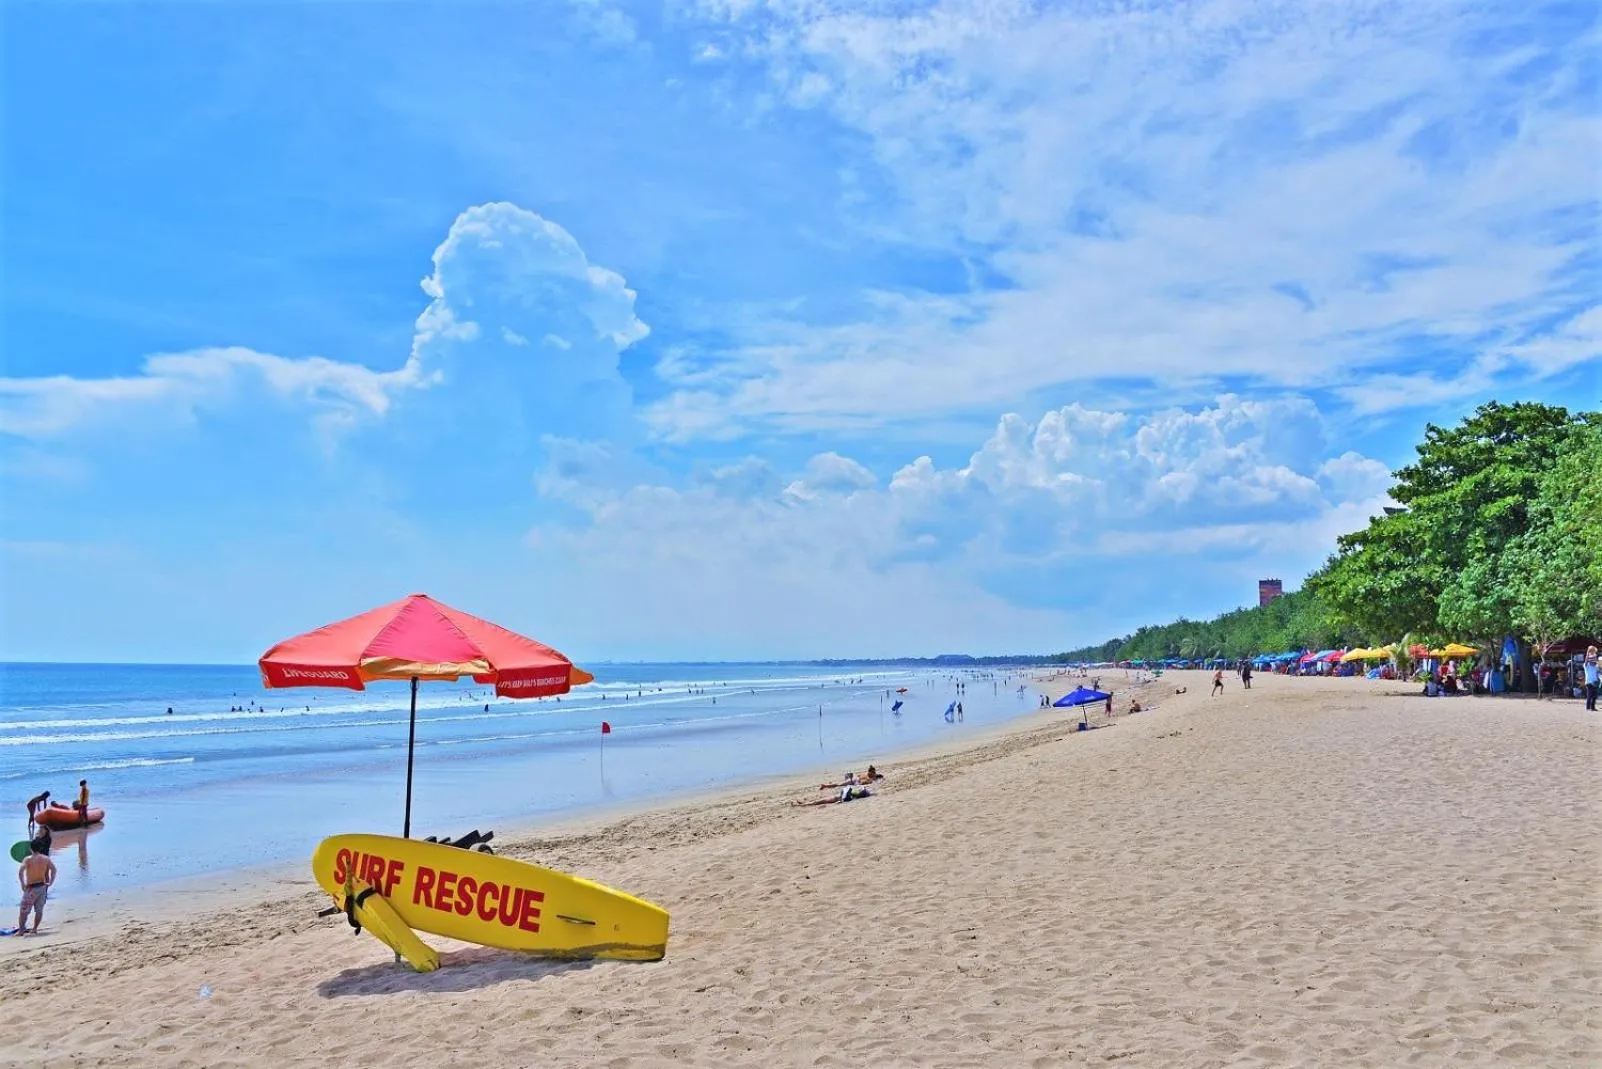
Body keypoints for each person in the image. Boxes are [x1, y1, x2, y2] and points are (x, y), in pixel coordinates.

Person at [16, 838, 56, 936]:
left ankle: (21, 930)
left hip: (31, 888)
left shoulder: (28, 859)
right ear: (41, 848)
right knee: (39, 910)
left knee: (23, 911)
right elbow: (54, 870)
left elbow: (20, 872)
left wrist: (22, 884)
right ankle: (34, 929)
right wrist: (50, 882)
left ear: (30, 848)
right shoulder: (46, 859)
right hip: (42, 887)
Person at [795, 785, 873, 807]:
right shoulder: (859, 793)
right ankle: (804, 803)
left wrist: (840, 802)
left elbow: (851, 798)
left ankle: (802, 804)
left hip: (837, 798)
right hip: (838, 796)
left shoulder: (857, 793)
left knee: (819, 801)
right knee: (819, 801)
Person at [1584, 646, 1600, 712]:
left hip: (1595, 682)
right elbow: (1586, 660)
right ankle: (1588, 707)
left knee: (1594, 696)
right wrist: (1588, 652)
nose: (1593, 662)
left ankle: (1592, 707)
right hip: (1589, 682)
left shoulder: (1596, 667)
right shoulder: (1587, 666)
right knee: (1590, 695)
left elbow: (1599, 671)